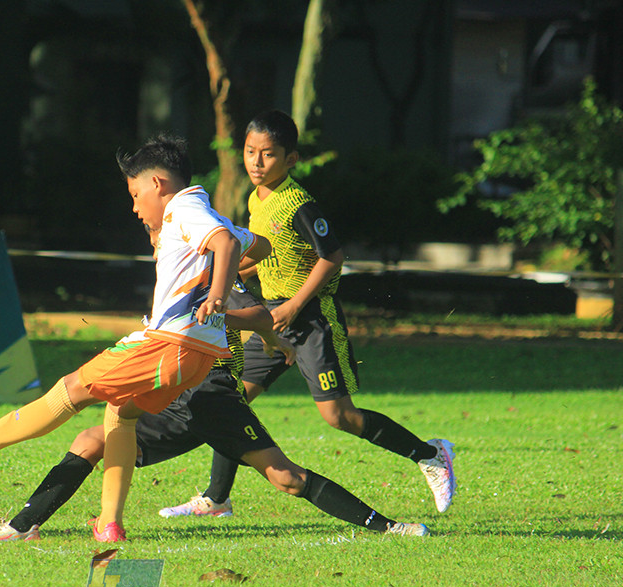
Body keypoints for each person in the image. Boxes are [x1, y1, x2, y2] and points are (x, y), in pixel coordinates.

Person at [0, 135, 252, 542]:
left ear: (158, 185)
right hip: (197, 356)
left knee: (72, 388)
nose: (134, 206)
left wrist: (216, 293)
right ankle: (110, 523)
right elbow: (255, 244)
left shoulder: (184, 208)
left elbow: (228, 242)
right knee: (121, 412)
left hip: (168, 343)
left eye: (135, 193)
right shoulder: (202, 212)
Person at [160, 110, 455, 520]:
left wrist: (295, 305)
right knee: (231, 403)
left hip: (311, 320)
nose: (256, 162)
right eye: (250, 152)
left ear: (291, 159)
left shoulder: (299, 203)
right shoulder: (254, 197)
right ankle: (217, 498)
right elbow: (266, 256)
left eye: (267, 154)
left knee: (340, 417)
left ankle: (430, 454)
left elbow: (332, 257)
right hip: (272, 320)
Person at [0, 276, 429, 542]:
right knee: (91, 439)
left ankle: (389, 527)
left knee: (286, 478)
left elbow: (259, 315)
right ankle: (22, 525)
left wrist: (228, 323)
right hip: (172, 394)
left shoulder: (218, 276)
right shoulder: (175, 266)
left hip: (212, 397)